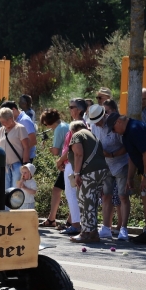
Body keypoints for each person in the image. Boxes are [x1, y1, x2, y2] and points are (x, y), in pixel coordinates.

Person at [106, 113, 146, 244]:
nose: (114, 132)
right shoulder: (126, 134)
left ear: (119, 122)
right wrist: (130, 177)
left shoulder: (134, 129)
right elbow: (132, 156)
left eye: (113, 129)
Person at [89, 103, 130, 241]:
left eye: (97, 120)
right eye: (94, 121)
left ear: (103, 116)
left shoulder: (114, 124)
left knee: (123, 196)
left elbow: (126, 146)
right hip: (105, 166)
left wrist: (111, 155)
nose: (96, 123)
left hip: (121, 164)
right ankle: (106, 228)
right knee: (105, 196)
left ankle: (123, 229)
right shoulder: (94, 126)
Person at [68, 121, 108, 243]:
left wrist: (77, 173)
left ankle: (86, 233)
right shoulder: (93, 136)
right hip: (101, 171)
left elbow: (79, 154)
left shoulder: (77, 135)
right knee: (93, 201)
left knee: (85, 201)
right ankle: (93, 232)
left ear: (73, 130)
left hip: (88, 173)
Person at [56, 98, 88, 235]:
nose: (69, 109)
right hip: (71, 162)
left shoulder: (77, 126)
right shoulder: (80, 124)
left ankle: (76, 225)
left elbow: (71, 148)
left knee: (71, 194)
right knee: (74, 194)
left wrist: (60, 161)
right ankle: (74, 222)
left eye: (72, 107)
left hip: (72, 163)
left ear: (79, 110)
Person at [40, 108, 69, 228]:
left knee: (58, 190)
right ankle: (62, 219)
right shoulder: (65, 125)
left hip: (66, 162)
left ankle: (53, 219)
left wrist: (49, 149)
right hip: (71, 161)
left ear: (48, 122)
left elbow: (56, 151)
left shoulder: (58, 129)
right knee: (69, 191)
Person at [0, 107, 30, 191]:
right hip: (5, 165)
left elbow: (26, 147)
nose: (3, 124)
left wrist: (25, 165)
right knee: (5, 191)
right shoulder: (1, 130)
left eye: (4, 121)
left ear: (10, 119)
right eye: (1, 122)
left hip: (17, 165)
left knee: (15, 191)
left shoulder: (20, 128)